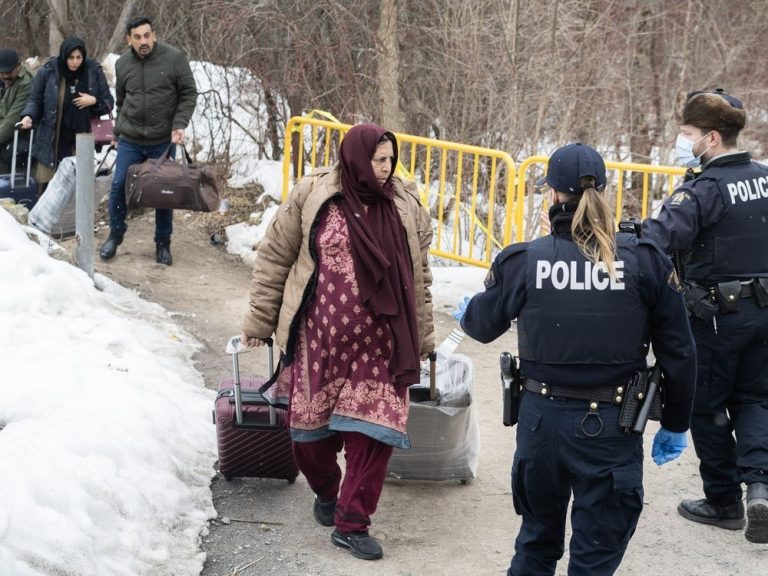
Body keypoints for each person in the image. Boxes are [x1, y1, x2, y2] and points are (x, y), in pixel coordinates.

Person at [460, 143, 697, 575]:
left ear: (551, 194)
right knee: (594, 557)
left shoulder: (525, 260)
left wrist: (473, 306)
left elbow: (480, 325)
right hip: (611, 425)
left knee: (535, 543)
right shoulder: (643, 260)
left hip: (540, 424)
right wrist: (677, 423)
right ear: (604, 191)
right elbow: (679, 351)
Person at [240, 123, 434, 561]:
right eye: (377, 160)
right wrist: (259, 321)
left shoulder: (405, 203)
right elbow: (275, 256)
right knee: (310, 440)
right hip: (319, 341)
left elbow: (420, 276)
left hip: (383, 344)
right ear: (354, 157)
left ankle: (352, 522)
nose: (384, 170)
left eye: (390, 160)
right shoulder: (315, 194)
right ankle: (328, 490)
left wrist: (424, 338)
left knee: (376, 433)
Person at [642, 88, 768, 544]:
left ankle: (723, 501)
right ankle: (760, 486)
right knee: (755, 400)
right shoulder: (765, 177)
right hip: (763, 316)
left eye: (687, 134)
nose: (683, 141)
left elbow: (657, 240)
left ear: (711, 138)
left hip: (716, 319)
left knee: (708, 408)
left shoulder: (703, 191)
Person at [98, 16, 197, 266]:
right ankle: (115, 234)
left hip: (161, 139)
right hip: (130, 138)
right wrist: (117, 133)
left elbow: (189, 93)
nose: (144, 41)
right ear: (128, 39)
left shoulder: (173, 58)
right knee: (119, 185)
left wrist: (179, 124)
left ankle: (163, 243)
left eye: (147, 35)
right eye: (138, 37)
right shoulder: (122, 64)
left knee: (164, 191)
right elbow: (122, 101)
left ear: (154, 34)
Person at [19, 37, 113, 186]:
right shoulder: (49, 71)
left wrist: (94, 101)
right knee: (51, 185)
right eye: (70, 57)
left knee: (80, 184)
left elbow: (108, 101)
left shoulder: (92, 70)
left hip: (84, 137)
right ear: (64, 56)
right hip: (54, 135)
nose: (75, 62)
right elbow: (35, 99)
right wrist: (29, 116)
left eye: (79, 57)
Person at [0, 48, 33, 174]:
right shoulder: (3, 80)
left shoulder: (25, 84)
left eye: (8, 72)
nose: (5, 76)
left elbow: (11, 121)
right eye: (2, 72)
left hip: (15, 137)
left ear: (18, 67)